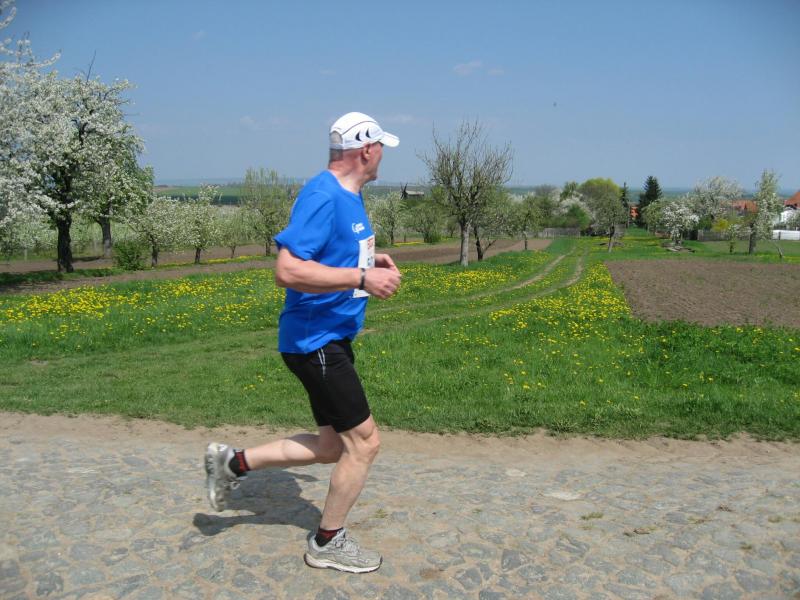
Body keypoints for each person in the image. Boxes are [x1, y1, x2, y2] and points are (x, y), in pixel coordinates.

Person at [204, 112, 401, 574]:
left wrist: (369, 260)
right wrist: (361, 277)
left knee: (332, 446)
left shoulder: (349, 194)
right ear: (366, 150)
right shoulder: (322, 195)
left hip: (329, 338)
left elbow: (330, 253)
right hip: (315, 340)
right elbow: (288, 270)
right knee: (365, 444)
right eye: (381, 148)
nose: (383, 156)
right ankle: (327, 542)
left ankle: (231, 463)